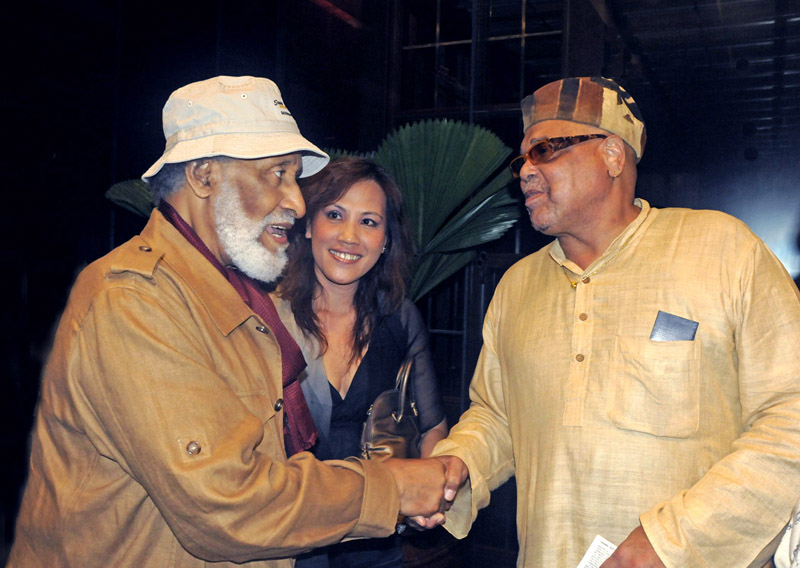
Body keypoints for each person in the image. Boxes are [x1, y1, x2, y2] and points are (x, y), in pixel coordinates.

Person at [8, 75, 447, 568]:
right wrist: (394, 489)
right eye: (277, 174)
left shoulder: (232, 295)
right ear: (202, 176)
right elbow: (224, 502)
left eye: (294, 178)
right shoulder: (135, 298)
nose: (298, 202)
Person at [428, 77, 800, 567]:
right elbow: (497, 415)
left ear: (612, 156)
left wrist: (672, 542)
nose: (525, 172)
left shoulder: (723, 251)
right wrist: (457, 468)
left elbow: (789, 417)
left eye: (544, 150)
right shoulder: (517, 286)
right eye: (523, 159)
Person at [274, 157, 448, 568]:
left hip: (374, 541)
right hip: (291, 540)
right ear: (309, 225)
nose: (349, 236)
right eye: (335, 215)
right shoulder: (268, 318)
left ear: (386, 239)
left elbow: (432, 427)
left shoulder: (399, 317)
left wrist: (429, 492)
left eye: (369, 222)